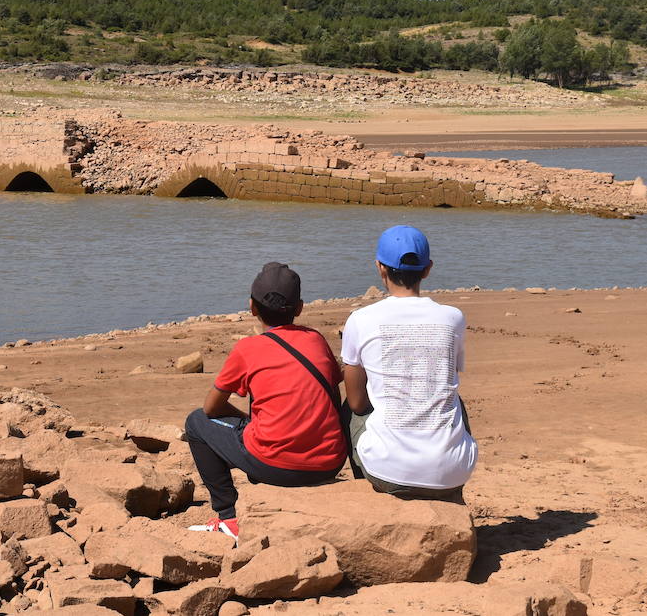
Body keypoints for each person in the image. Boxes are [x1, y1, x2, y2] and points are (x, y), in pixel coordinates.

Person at [183, 262, 348, 538]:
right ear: (299, 308)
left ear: (252, 307)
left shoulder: (248, 348)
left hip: (275, 466)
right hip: (329, 462)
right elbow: (333, 380)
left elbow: (211, 407)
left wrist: (248, 422)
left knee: (196, 422)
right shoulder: (316, 339)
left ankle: (227, 516)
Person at [341, 225, 477, 501]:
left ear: (380, 267)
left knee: (349, 408)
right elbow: (445, 375)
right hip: (452, 472)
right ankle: (449, 497)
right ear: (427, 269)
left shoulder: (361, 319)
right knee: (453, 400)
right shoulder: (453, 318)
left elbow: (357, 403)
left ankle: (373, 495)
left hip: (387, 471)